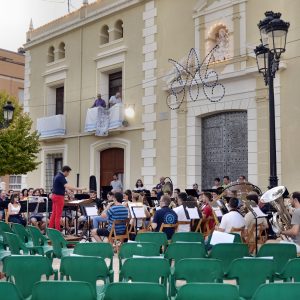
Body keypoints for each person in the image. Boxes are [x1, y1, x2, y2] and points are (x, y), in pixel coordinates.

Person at [49, 165, 86, 231]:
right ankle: (58, 231)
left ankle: (50, 229)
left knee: (54, 214)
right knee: (58, 215)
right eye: (68, 173)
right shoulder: (61, 177)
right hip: (59, 197)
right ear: (65, 171)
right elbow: (68, 186)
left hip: (54, 196)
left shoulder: (57, 175)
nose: (68, 174)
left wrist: (67, 191)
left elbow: (61, 187)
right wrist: (79, 188)